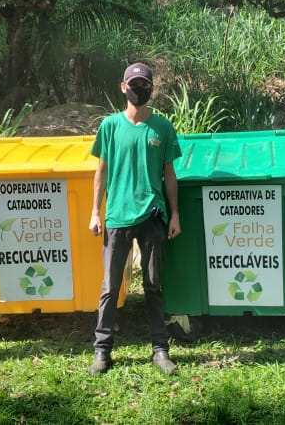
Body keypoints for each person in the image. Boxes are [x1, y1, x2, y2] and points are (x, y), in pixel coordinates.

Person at [87, 62, 182, 375]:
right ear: (122, 86)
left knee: (154, 287)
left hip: (153, 215)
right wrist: (95, 212)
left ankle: (160, 350)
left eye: (144, 84)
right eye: (134, 84)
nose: (139, 89)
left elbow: (170, 175)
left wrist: (175, 214)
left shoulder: (163, 128)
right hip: (117, 217)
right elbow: (100, 171)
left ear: (151, 89)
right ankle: (102, 352)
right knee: (110, 287)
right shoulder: (110, 126)